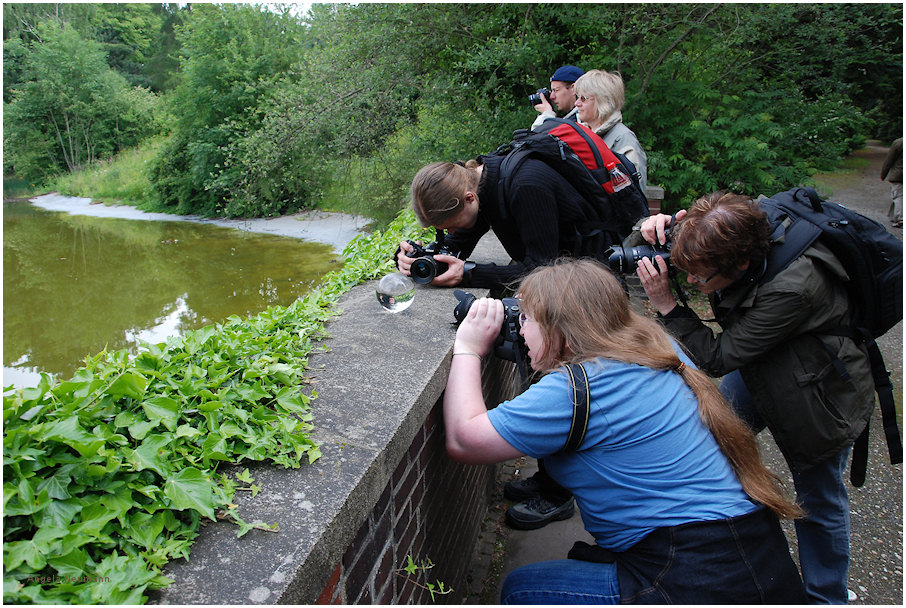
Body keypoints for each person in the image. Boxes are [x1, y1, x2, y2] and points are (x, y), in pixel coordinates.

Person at [445, 258, 806, 604]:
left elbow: (465, 439)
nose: (520, 328)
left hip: (696, 578)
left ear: (562, 332)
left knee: (522, 590)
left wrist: (469, 347)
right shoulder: (656, 346)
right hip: (759, 558)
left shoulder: (578, 389)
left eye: (526, 319)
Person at [634, 191, 876, 604]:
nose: (692, 282)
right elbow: (685, 250)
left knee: (817, 499)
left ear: (741, 264)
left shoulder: (794, 287)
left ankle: (826, 597)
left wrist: (667, 304)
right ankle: (724, 553)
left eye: (699, 277)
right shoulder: (725, 227)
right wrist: (649, 229)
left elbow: (717, 356)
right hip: (764, 364)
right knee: (707, 432)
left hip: (817, 390)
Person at [397, 157, 619, 528]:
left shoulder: (525, 185)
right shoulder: (484, 187)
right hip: (562, 286)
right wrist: (419, 260)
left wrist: (470, 274)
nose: (449, 231)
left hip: (584, 292)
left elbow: (543, 269)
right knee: (545, 385)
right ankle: (549, 481)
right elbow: (458, 245)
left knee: (564, 397)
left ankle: (558, 495)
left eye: (449, 222)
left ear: (469, 198)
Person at [573, 69, 647, 192]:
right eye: (577, 97)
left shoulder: (624, 140)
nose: (577, 103)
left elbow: (634, 197)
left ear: (603, 100)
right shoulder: (582, 135)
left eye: (583, 98)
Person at [530, 65, 584, 131]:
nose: (552, 96)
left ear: (573, 89)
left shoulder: (581, 121)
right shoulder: (570, 118)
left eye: (556, 90)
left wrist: (547, 114)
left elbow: (539, 138)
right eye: (551, 91)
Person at [881, 137, 902, 228]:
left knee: (898, 197)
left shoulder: (899, 143)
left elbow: (889, 160)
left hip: (899, 175)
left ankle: (901, 218)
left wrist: (883, 174)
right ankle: (895, 216)